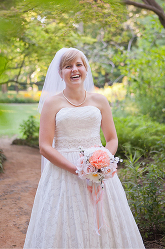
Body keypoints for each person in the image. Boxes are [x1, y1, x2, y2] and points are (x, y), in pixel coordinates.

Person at [24, 48, 144, 248]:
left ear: (86, 69)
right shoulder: (52, 103)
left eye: (79, 65)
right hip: (62, 173)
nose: (74, 70)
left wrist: (102, 161)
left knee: (105, 221)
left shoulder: (100, 100)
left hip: (98, 171)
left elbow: (112, 138)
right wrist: (78, 169)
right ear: (60, 73)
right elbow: (45, 147)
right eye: (68, 66)